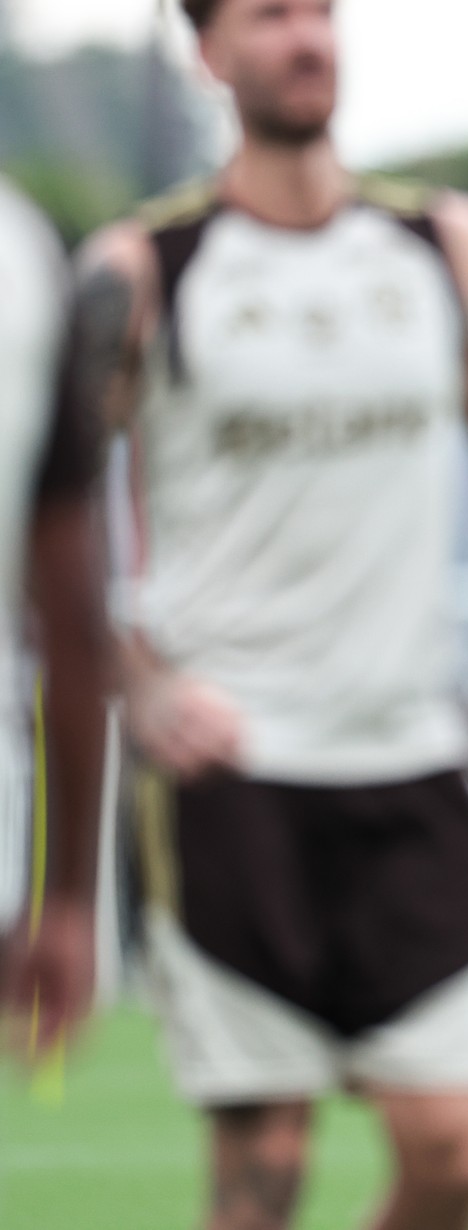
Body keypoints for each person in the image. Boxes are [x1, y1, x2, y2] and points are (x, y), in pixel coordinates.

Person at [70, 1, 468, 1227]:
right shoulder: (143, 271)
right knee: (264, 1170)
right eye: (269, 17)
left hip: (408, 757)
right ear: (210, 53)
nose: (306, 39)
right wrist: (134, 682)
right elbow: (40, 510)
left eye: (320, 12)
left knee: (459, 1147)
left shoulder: (450, 247)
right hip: (232, 769)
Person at [0, 175, 108, 1058]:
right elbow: (71, 615)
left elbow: (72, 615)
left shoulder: (25, 259)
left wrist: (66, 893)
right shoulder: (19, 251)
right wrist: (65, 892)